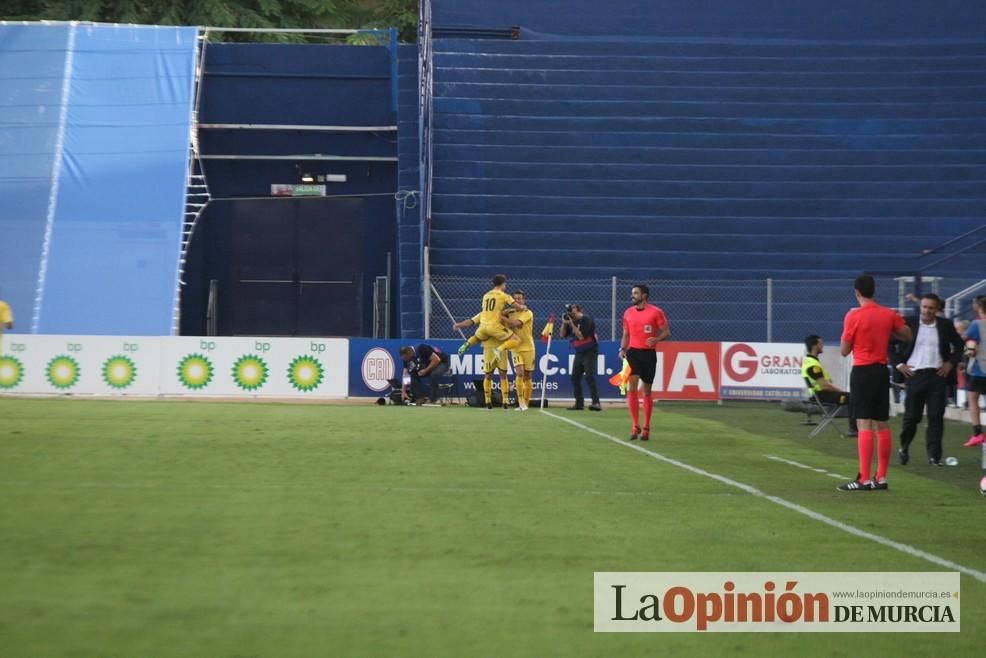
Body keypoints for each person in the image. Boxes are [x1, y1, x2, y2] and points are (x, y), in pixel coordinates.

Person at [838, 274, 912, 492]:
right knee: (882, 423)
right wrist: (889, 330)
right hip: (881, 370)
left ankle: (863, 478)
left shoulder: (853, 316)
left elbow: (844, 350)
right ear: (874, 291)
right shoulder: (888, 314)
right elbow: (907, 335)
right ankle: (881, 477)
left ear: (857, 292)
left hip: (862, 371)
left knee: (863, 423)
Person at [892, 293, 964, 465]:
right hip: (914, 375)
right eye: (924, 307)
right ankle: (904, 446)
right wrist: (899, 364)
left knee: (936, 417)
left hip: (937, 376)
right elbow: (889, 345)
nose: (927, 311)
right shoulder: (908, 323)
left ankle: (934, 457)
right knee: (912, 417)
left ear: (937, 309)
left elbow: (960, 346)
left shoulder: (945, 325)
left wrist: (950, 363)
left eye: (931, 308)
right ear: (920, 307)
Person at [618, 284, 671, 440]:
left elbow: (667, 332)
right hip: (633, 353)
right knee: (631, 387)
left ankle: (646, 427)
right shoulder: (627, 313)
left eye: (635, 293)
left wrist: (656, 338)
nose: (632, 296)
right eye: (632, 293)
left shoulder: (656, 312)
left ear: (644, 295)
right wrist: (622, 349)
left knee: (646, 390)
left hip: (648, 354)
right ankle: (635, 426)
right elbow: (626, 334)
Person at [454, 274, 524, 364]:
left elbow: (473, 320)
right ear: (502, 284)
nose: (505, 285)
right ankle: (499, 350)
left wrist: (458, 325)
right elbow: (517, 307)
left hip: (482, 326)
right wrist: (522, 307)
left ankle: (467, 343)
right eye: (505, 283)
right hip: (494, 326)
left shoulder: (486, 295)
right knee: (516, 340)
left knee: (477, 337)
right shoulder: (504, 296)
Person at [453, 312, 511, 410]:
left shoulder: (501, 313)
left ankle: (505, 400)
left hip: (502, 348)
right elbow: (471, 321)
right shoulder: (483, 314)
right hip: (488, 348)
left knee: (503, 373)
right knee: (488, 374)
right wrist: (459, 325)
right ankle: (487, 400)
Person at [802, 335, 857, 436]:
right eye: (820, 344)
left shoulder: (810, 361)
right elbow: (824, 386)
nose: (822, 346)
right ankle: (854, 429)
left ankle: (855, 428)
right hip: (822, 395)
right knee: (853, 398)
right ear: (814, 346)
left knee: (852, 396)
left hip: (821, 394)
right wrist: (840, 391)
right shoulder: (813, 365)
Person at [560, 303, 602, 412]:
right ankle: (579, 403)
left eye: (573, 312)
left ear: (579, 311)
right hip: (579, 352)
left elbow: (581, 336)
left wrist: (572, 324)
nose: (571, 314)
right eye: (570, 312)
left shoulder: (586, 320)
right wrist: (564, 324)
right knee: (575, 377)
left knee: (589, 376)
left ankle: (596, 402)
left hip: (590, 351)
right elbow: (562, 335)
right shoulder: (571, 321)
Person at [504, 289, 535, 411]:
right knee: (520, 373)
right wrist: (505, 312)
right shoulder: (510, 312)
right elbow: (496, 314)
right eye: (515, 299)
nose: (517, 301)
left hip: (528, 348)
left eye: (519, 299)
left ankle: (526, 403)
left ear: (524, 300)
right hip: (515, 347)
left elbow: (516, 324)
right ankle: (521, 402)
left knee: (527, 375)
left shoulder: (528, 313)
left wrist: (503, 318)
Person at [961, 295, 986, 447]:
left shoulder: (977, 324)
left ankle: (977, 433)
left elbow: (965, 339)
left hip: (979, 369)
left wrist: (970, 347)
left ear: (977, 306)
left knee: (973, 399)